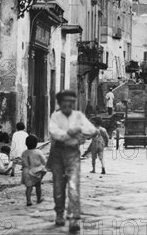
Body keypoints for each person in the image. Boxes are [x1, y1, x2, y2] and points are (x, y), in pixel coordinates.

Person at [47, 90, 98, 233]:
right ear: (60, 103)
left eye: (71, 102)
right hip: (57, 153)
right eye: (65, 102)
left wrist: (79, 130)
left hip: (73, 153)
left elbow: (93, 130)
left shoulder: (79, 116)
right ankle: (59, 213)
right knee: (58, 186)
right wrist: (71, 133)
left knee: (73, 186)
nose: (68, 105)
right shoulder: (55, 116)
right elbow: (54, 133)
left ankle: (74, 218)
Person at [22, 135, 46, 206]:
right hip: (36, 172)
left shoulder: (24, 153)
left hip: (27, 172)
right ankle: (38, 199)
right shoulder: (38, 152)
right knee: (38, 186)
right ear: (36, 143)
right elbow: (44, 161)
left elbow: (23, 163)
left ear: (26, 144)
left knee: (29, 187)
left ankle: (28, 201)